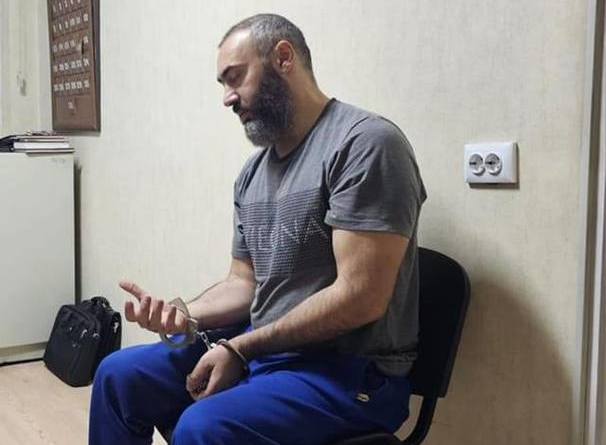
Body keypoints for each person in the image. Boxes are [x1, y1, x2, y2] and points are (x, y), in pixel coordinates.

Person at [89, 13, 426, 445]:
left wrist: (241, 349)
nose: (227, 98)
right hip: (264, 350)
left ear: (283, 58)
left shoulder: (365, 145)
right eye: (222, 84)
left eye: (235, 78)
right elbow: (243, 283)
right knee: (118, 375)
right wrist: (184, 313)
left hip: (349, 372)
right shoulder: (253, 174)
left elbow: (360, 298)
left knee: (201, 427)